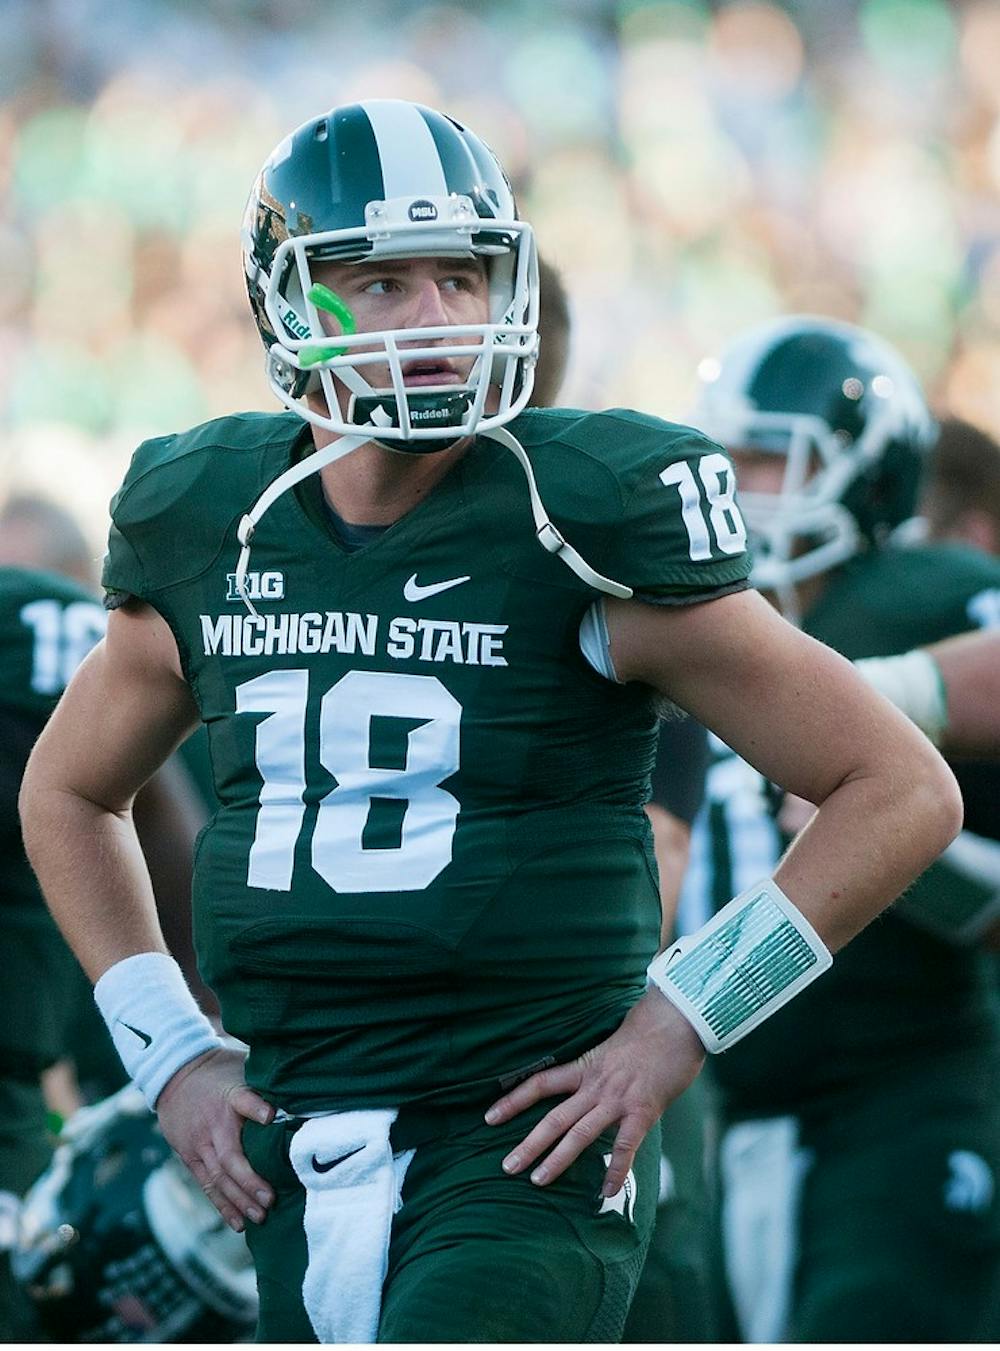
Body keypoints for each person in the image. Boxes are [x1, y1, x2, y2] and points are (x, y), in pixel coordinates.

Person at [19, 102, 960, 1344]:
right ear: (290, 304)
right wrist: (169, 1052)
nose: (434, 319)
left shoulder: (578, 512)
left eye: (462, 276)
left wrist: (682, 1020)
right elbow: (68, 795)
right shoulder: (214, 514)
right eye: (383, 281)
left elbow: (899, 789)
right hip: (290, 1145)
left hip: (519, 1146)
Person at [685, 313, 1000, 1342]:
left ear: (860, 471)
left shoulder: (917, 597)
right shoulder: (697, 625)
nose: (741, 482)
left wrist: (881, 730)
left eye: (770, 454)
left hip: (900, 1099)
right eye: (727, 454)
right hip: (743, 1123)